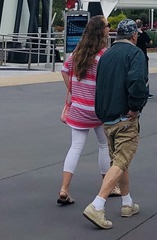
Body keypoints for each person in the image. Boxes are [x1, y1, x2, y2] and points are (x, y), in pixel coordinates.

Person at [83, 19, 148, 230]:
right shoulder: (135, 54)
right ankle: (97, 204)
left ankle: (127, 202)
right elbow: (137, 82)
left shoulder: (106, 55)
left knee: (119, 161)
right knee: (122, 159)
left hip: (107, 117)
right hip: (125, 117)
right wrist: (136, 107)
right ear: (134, 36)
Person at [58, 16, 112, 207]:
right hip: (97, 109)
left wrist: (73, 90)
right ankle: (108, 186)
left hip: (79, 108)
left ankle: (64, 188)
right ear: (101, 31)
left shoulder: (77, 53)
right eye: (107, 26)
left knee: (75, 147)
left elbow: (64, 71)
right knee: (104, 145)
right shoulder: (103, 55)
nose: (109, 28)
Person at [135, 19, 152, 97]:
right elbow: (150, 42)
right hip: (143, 55)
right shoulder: (144, 34)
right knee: (145, 74)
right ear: (141, 26)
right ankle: (146, 91)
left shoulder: (134, 34)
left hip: (134, 55)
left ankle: (136, 91)